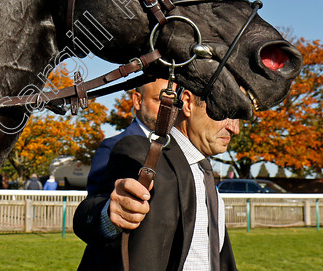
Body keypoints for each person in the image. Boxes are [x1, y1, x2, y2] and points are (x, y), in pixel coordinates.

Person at [74, 82, 240, 271]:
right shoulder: (134, 150)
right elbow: (94, 209)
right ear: (187, 103)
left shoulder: (205, 171)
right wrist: (110, 214)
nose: (235, 129)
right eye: (225, 113)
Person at [86, 80, 164, 196]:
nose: (168, 108)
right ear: (137, 101)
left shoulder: (180, 147)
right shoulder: (112, 147)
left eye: (174, 102)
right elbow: (94, 204)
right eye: (159, 100)